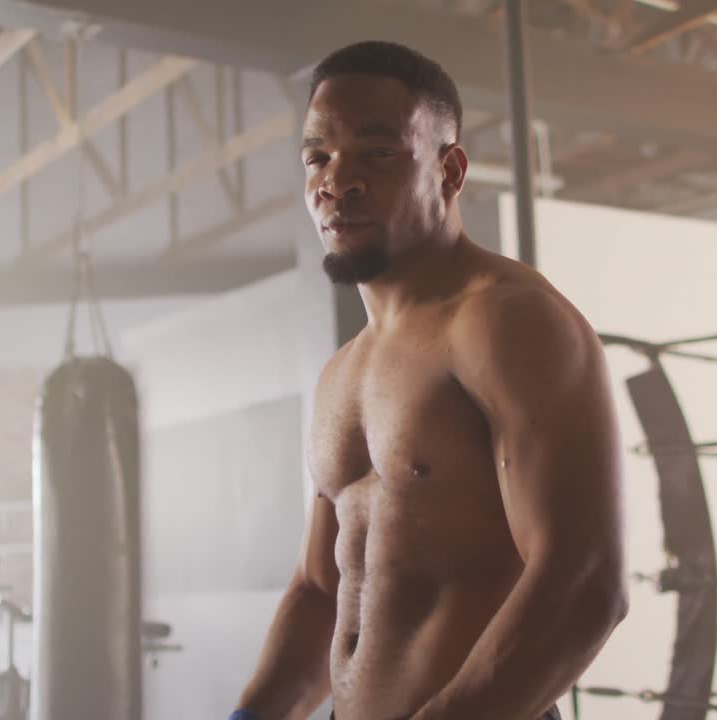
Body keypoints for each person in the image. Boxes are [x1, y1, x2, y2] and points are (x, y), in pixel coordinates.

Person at [231, 41, 628, 720]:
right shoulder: (343, 371)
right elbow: (322, 589)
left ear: (449, 170)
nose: (337, 179)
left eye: (376, 152)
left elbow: (584, 581)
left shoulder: (506, 323)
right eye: (318, 156)